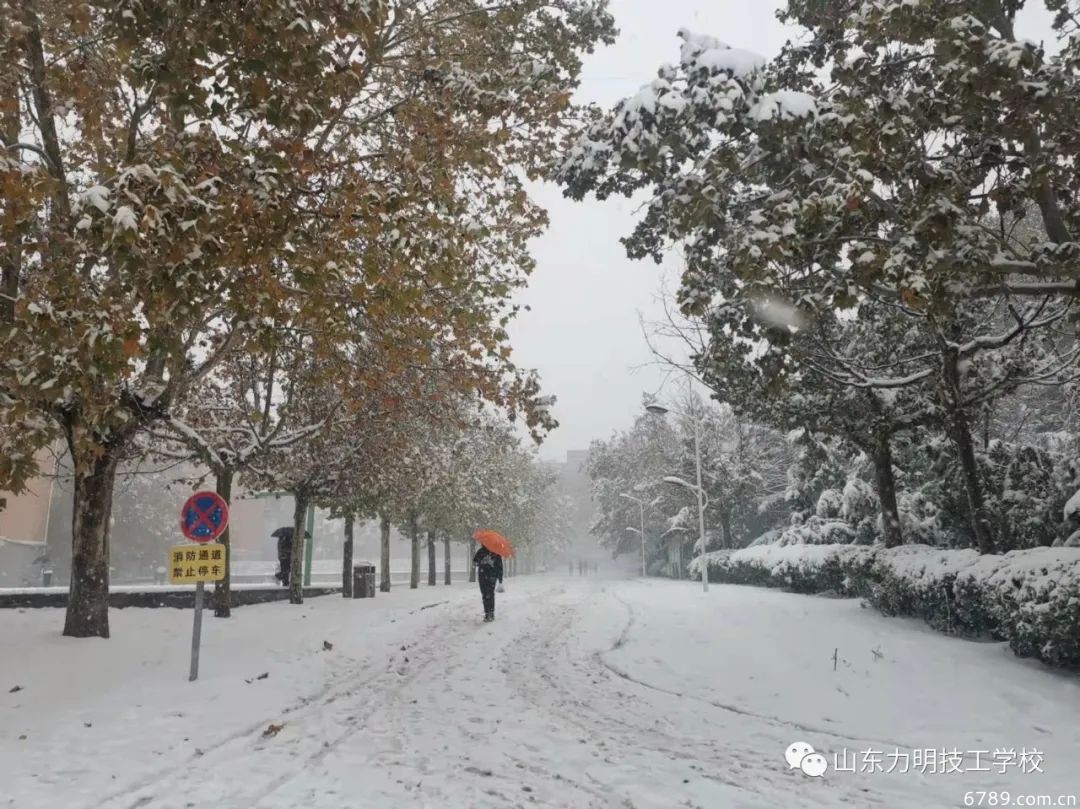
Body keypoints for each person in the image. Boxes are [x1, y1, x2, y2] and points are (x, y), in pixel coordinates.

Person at [473, 544, 504, 622]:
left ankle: (490, 613)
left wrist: (500, 579)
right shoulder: (481, 552)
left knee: (489, 594)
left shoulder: (495, 553)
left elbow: (499, 566)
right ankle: (488, 613)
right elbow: (475, 562)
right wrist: (482, 561)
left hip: (490, 577)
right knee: (485, 594)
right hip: (483, 576)